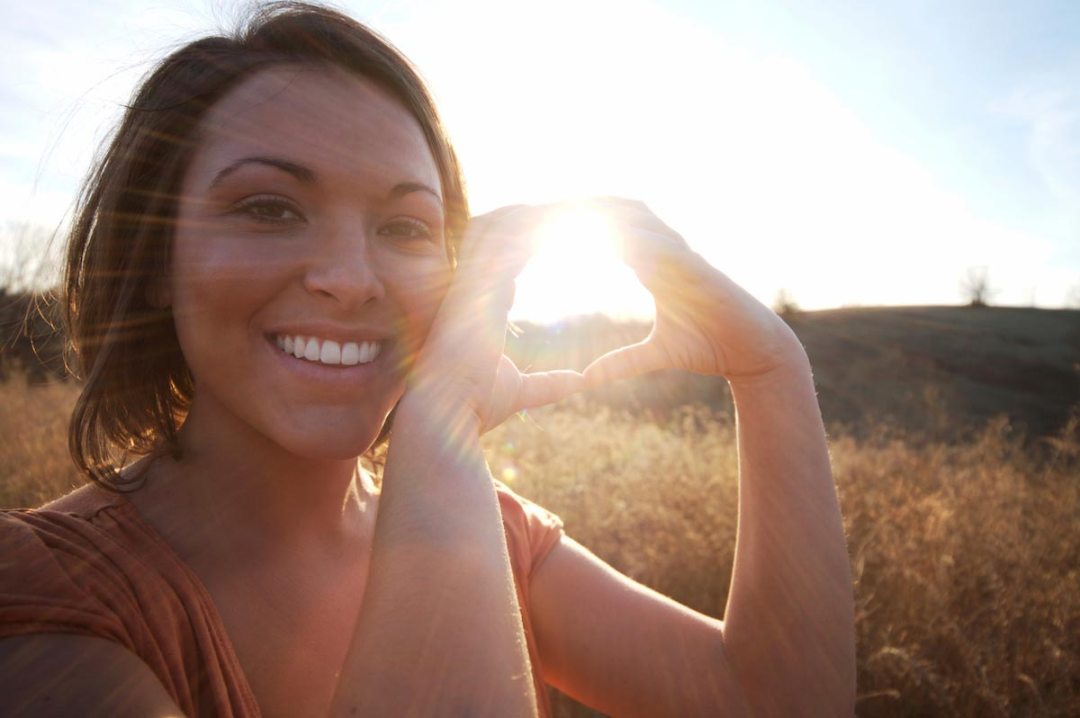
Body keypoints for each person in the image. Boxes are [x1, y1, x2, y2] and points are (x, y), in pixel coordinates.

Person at [0, 3, 855, 716]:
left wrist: (770, 365)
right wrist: (442, 415)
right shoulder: (47, 596)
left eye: (406, 226)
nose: (349, 279)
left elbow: (770, 700)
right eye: (268, 208)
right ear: (152, 262)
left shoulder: (497, 533)